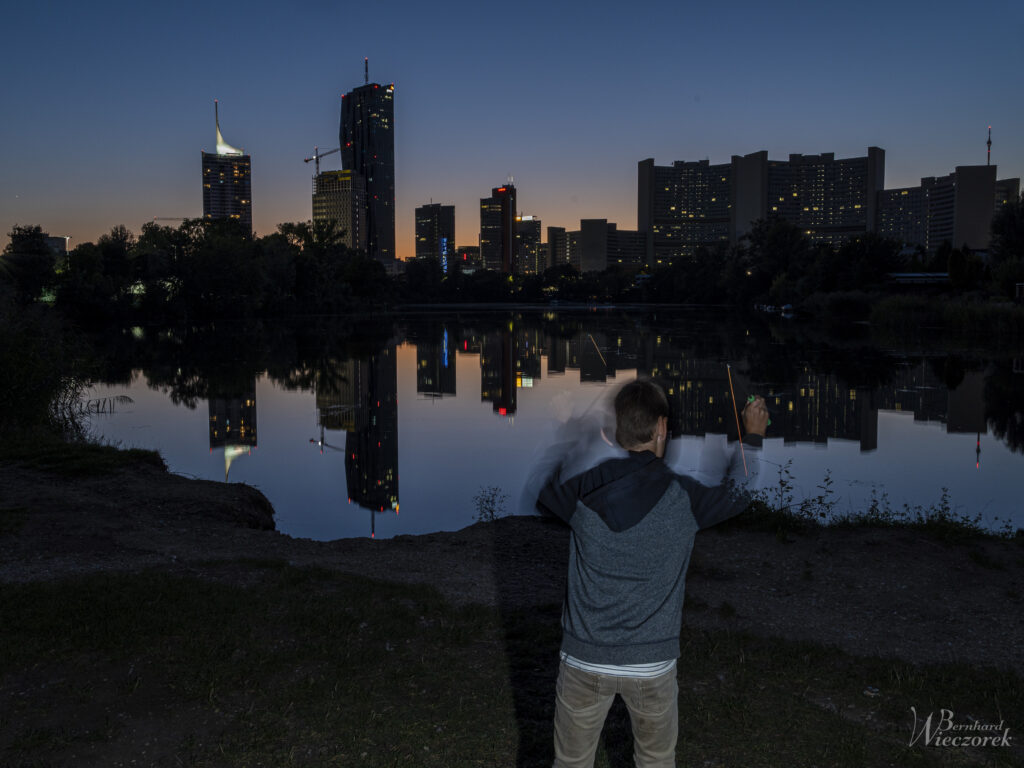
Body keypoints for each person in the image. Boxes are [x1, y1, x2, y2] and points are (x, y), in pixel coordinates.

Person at [536, 378, 769, 768]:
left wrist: (571, 441)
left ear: (615, 432)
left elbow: (545, 495)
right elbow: (739, 493)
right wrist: (753, 437)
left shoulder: (586, 489)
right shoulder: (684, 497)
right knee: (656, 761)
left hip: (583, 659)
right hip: (652, 665)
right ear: (662, 428)